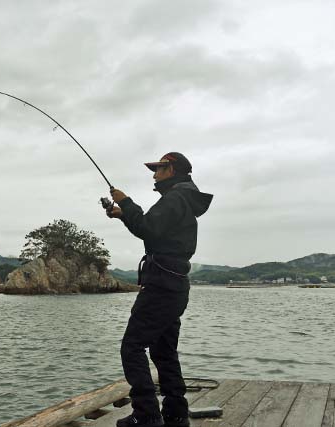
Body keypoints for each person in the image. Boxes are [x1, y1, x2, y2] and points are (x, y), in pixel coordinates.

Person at [106, 152, 213, 427]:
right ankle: (176, 413)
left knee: (132, 347)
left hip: (162, 284)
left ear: (172, 169)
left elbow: (149, 229)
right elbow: (152, 232)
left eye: (159, 169)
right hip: (175, 285)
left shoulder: (175, 198)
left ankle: (146, 415)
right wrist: (123, 215)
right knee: (164, 351)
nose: (154, 174)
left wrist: (126, 202)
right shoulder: (183, 200)